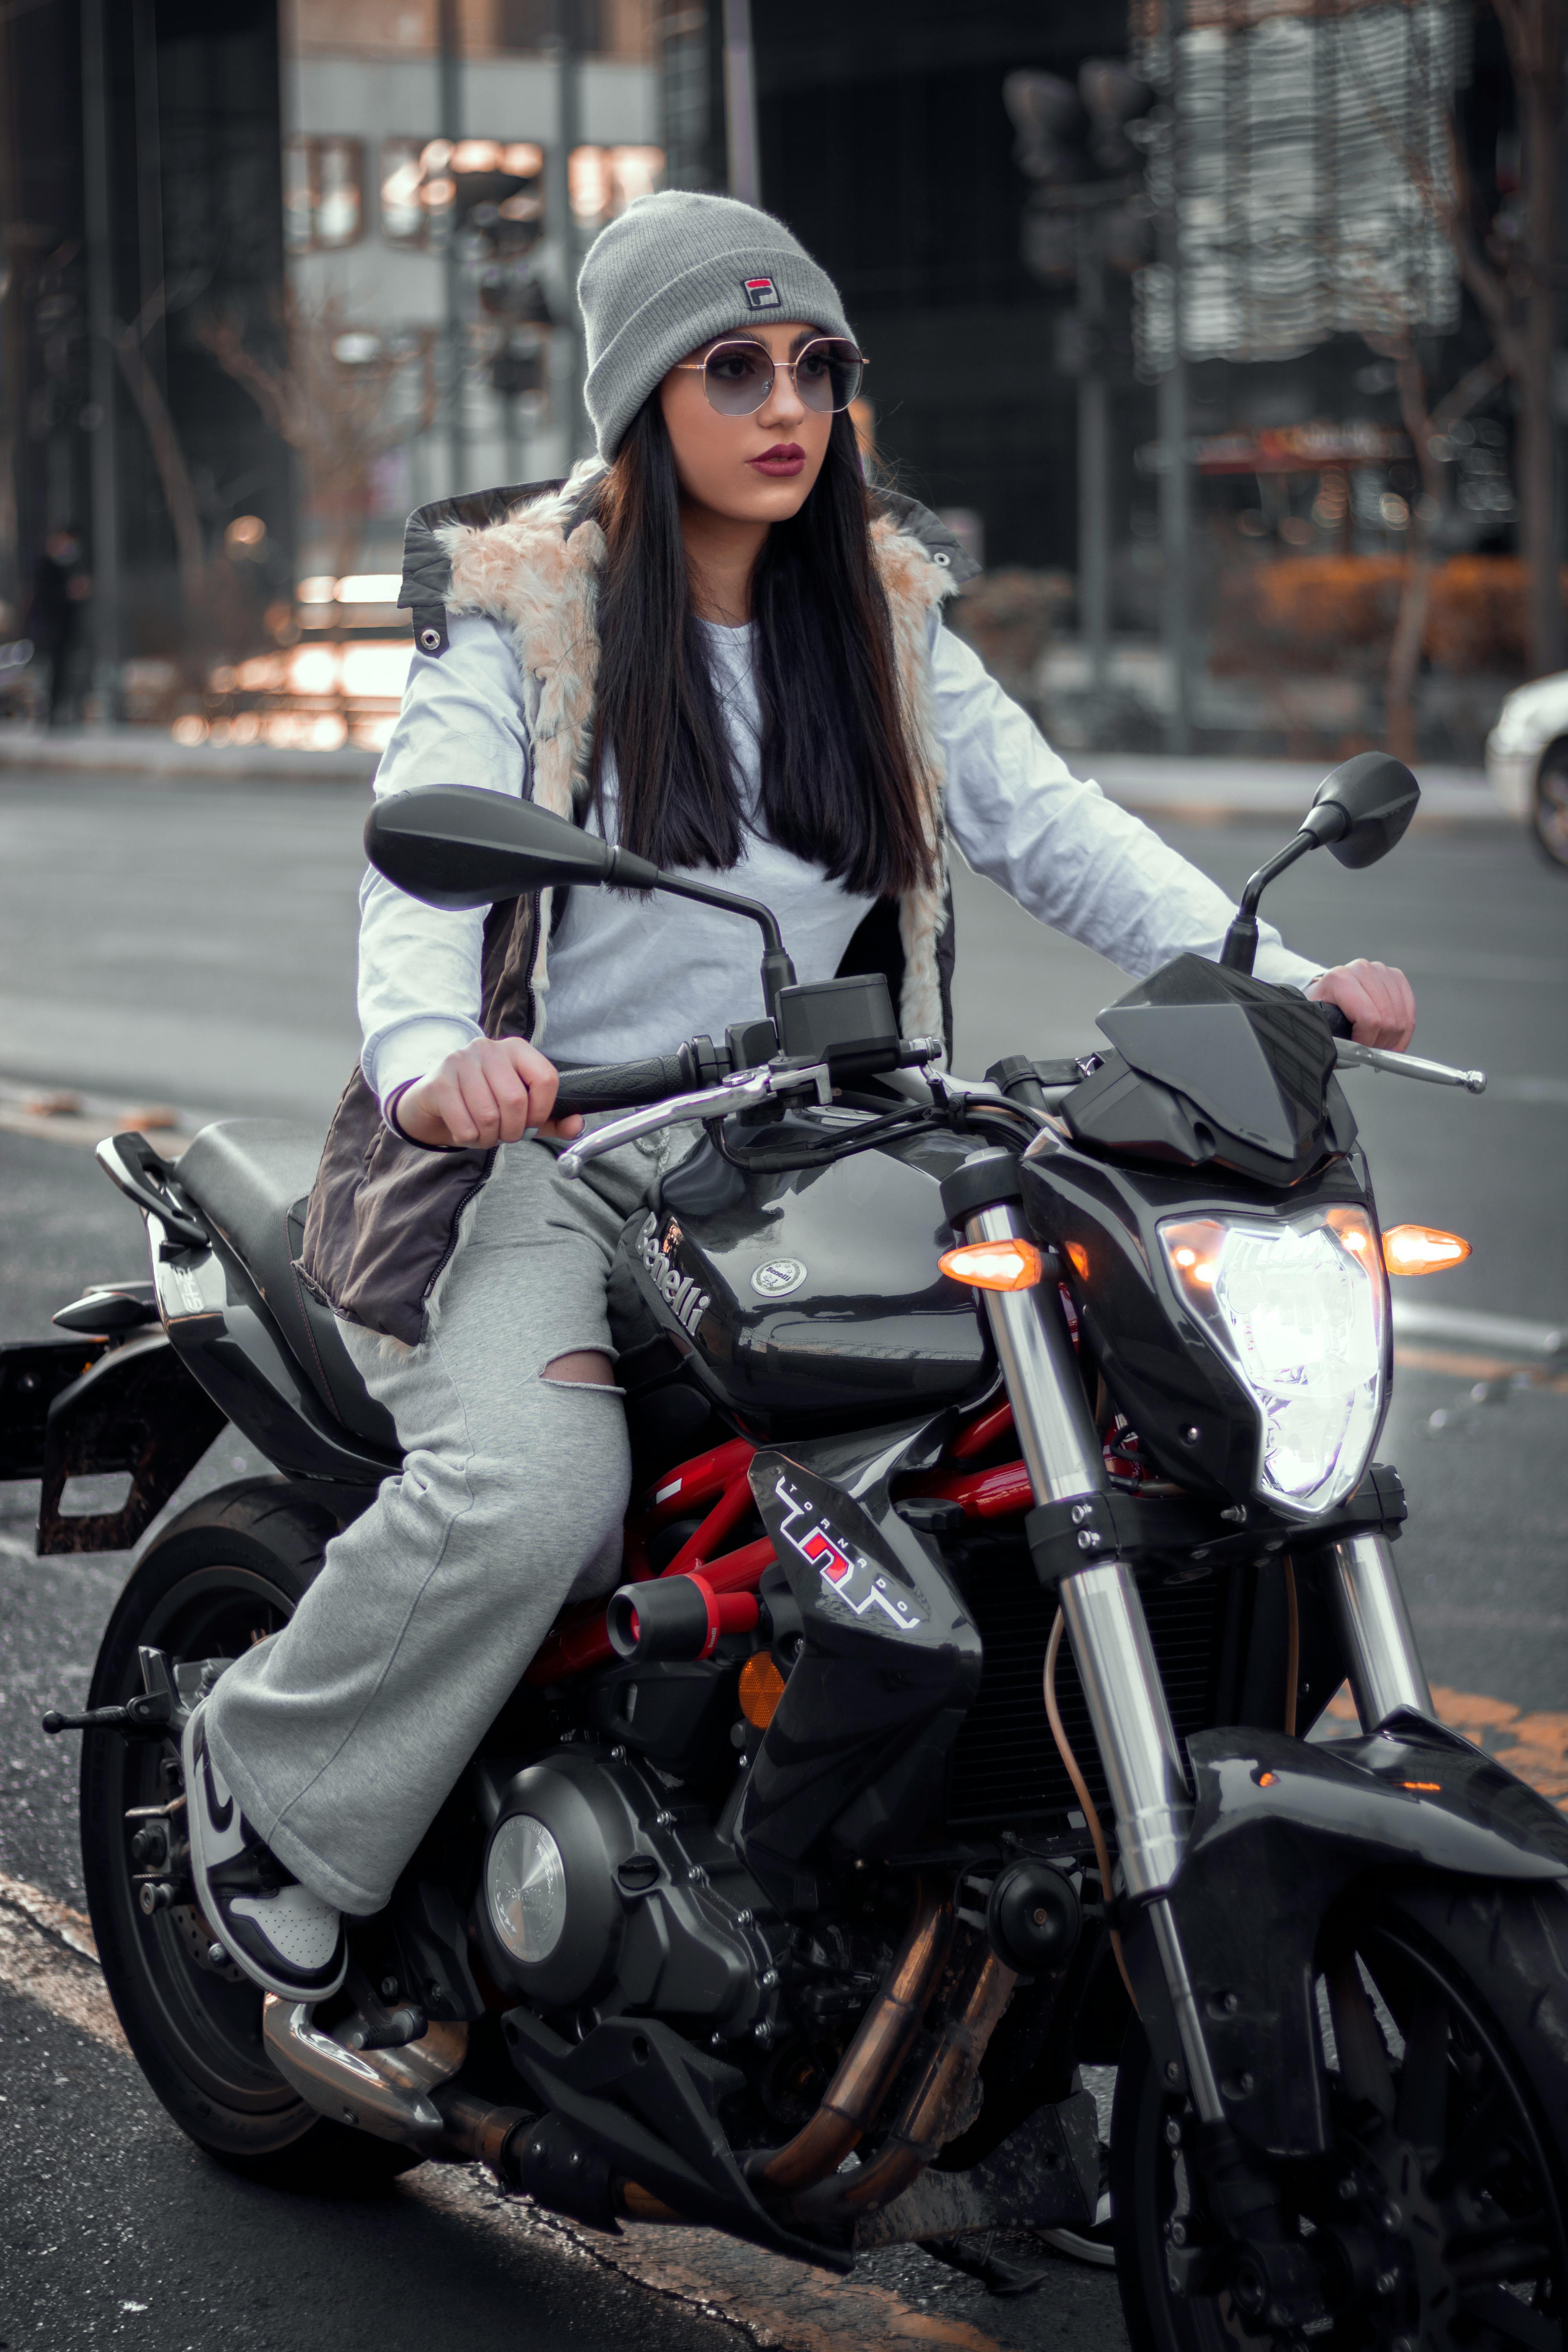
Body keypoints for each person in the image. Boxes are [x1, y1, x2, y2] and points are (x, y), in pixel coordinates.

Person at [182, 193, 1416, 2002]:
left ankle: (940, 1913)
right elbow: (421, 874)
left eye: (816, 368)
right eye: (732, 366)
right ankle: (270, 1784)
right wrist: (436, 1065)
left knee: (1068, 1413)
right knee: (538, 1489)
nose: (786, 404)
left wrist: (1275, 977)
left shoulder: (883, 615)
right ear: (637, 401)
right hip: (545, 1151)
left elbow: (1049, 829)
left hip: (811, 1142)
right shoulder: (519, 621)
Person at [25, 527, 89, 727]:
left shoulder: (70, 566)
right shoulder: (46, 567)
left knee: (66, 674)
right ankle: (50, 715)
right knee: (51, 674)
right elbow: (46, 599)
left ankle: (65, 714)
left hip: (66, 632)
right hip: (49, 633)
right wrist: (69, 594)